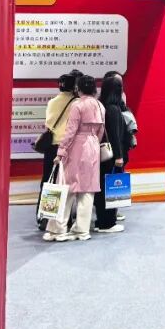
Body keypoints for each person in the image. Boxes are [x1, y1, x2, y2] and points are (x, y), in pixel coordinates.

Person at [45, 74, 105, 243]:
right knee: (87, 189)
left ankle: (58, 230)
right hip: (93, 145)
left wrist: (61, 152)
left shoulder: (77, 105)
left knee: (66, 187)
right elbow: (101, 131)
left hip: (76, 147)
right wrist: (93, 143)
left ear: (79, 88)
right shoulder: (100, 106)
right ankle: (82, 230)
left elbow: (70, 131)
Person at [36, 70, 79, 231]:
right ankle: (63, 219)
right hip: (68, 147)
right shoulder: (76, 103)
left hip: (51, 147)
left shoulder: (52, 102)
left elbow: (48, 123)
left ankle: (45, 217)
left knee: (49, 181)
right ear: (74, 86)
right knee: (65, 184)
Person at [93, 74, 130, 234]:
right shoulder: (114, 109)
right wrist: (119, 156)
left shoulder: (100, 106)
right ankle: (107, 223)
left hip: (101, 154)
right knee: (111, 189)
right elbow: (115, 135)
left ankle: (101, 220)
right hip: (112, 156)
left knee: (101, 188)